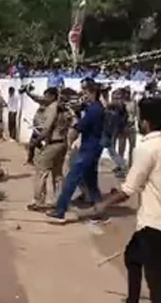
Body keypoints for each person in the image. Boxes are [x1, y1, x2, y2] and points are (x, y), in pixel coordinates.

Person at [90, 96, 161, 303]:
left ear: (144, 122)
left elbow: (128, 189)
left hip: (153, 221)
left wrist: (103, 204)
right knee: (132, 256)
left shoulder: (146, 149)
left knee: (157, 279)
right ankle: (132, 299)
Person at [48, 81, 106, 224]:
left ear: (92, 93)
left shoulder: (93, 110)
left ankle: (60, 210)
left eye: (86, 92)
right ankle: (99, 209)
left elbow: (79, 127)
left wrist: (74, 116)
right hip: (93, 147)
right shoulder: (96, 107)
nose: (84, 95)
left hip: (89, 149)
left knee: (71, 179)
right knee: (91, 182)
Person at [27, 87, 69, 212]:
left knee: (41, 171)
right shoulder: (64, 108)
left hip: (53, 143)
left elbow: (47, 129)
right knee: (57, 174)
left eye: (46, 96)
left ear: (52, 96)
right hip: (62, 143)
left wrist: (37, 141)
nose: (44, 98)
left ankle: (39, 201)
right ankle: (59, 200)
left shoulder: (52, 108)